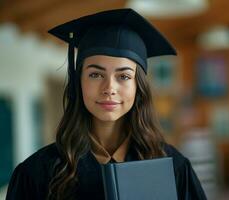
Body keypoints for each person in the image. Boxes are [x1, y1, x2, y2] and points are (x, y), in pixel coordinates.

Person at [6, 8, 207, 200]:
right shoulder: (36, 174)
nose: (109, 87)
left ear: (139, 87)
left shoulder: (174, 168)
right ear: (79, 82)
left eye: (124, 76)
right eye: (95, 74)